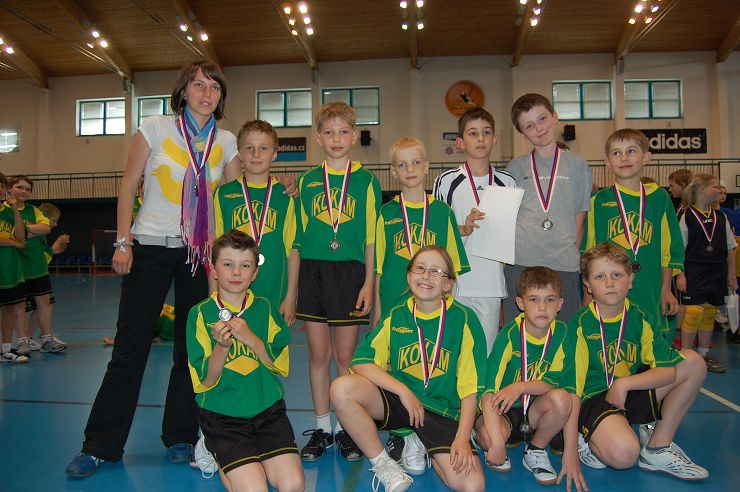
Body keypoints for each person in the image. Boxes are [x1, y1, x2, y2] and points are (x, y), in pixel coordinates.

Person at [66, 60, 241, 478]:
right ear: (182, 91)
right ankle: (101, 444)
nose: (206, 93)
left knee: (189, 349)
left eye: (214, 87)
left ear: (221, 96)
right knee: (130, 347)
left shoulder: (226, 141)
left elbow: (239, 194)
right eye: (198, 85)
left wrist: (281, 186)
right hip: (149, 248)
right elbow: (129, 185)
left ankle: (180, 435)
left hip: (198, 256)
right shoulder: (156, 127)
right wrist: (123, 241)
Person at [330, 245, 488, 492]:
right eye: (420, 268)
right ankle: (384, 464)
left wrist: (461, 438)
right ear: (408, 275)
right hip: (402, 403)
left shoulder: (464, 320)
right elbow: (361, 361)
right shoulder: (397, 315)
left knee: (473, 485)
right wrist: (402, 390)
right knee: (341, 389)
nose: (426, 276)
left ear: (448, 284)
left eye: (436, 271)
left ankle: (426, 446)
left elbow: (470, 389)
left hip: (442, 411)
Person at [572, 243, 708, 481]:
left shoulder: (641, 317)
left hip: (627, 390)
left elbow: (668, 371)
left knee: (693, 362)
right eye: (600, 276)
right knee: (624, 455)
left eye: (617, 275)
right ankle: (585, 436)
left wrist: (623, 384)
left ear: (630, 280)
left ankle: (657, 448)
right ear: (588, 285)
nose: (609, 283)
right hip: (592, 399)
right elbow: (570, 388)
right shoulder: (579, 325)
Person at [376, 136, 469, 474]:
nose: (410, 169)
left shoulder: (442, 212)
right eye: (402, 164)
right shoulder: (386, 213)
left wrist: (450, 313)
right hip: (394, 306)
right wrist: (378, 311)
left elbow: (453, 267)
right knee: (397, 366)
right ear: (393, 171)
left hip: (433, 311)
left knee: (430, 365)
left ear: (427, 166)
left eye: (416, 162)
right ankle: (402, 433)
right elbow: (378, 267)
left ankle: (432, 428)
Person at [296, 101, 381, 462]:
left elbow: (372, 237)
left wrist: (368, 283)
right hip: (313, 272)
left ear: (355, 136)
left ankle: (347, 427)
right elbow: (298, 237)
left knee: (346, 356)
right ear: (318, 138)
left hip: (350, 273)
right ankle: (322, 428)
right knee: (319, 354)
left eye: (344, 132)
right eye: (329, 132)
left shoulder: (367, 181)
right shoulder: (306, 181)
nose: (336, 138)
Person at [186, 230, 303, 492]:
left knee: (293, 485)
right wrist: (221, 347)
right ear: (214, 270)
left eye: (245, 266)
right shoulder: (199, 314)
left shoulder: (266, 308)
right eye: (228, 264)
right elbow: (207, 380)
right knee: (254, 490)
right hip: (223, 417)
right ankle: (217, 449)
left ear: (255, 273)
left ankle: (243, 460)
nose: (236, 272)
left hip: (267, 412)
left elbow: (279, 364)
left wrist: (252, 339)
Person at [474, 267, 586, 490]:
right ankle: (486, 437)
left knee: (562, 399)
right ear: (520, 303)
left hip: (534, 410)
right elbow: (488, 393)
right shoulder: (509, 335)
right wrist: (497, 444)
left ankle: (535, 449)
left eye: (550, 299)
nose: (542, 307)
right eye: (534, 299)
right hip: (502, 408)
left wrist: (520, 387)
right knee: (490, 439)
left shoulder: (563, 335)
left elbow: (564, 388)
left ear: (560, 304)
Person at [581, 129, 684, 342]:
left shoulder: (659, 198)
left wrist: (666, 289)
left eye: (631, 151)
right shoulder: (598, 201)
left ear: (646, 157)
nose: (624, 158)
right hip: (608, 287)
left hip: (649, 286)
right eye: (616, 153)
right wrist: (587, 295)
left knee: (649, 342)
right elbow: (588, 253)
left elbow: (667, 250)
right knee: (613, 342)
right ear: (607, 162)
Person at [433, 107, 516, 353]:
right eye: (473, 133)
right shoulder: (446, 181)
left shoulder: (507, 182)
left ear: (494, 139)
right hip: (456, 283)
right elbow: (437, 231)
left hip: (491, 284)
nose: (480, 138)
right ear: (460, 142)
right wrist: (464, 228)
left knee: (485, 352)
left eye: (486, 132)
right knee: (454, 352)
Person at [503, 94, 592, 322]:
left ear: (554, 116)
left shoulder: (577, 164)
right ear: (522, 134)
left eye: (542, 119)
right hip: (521, 261)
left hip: (563, 261)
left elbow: (579, 218)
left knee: (564, 330)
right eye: (529, 126)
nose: (539, 128)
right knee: (519, 330)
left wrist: (567, 253)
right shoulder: (515, 167)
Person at [214, 119, 301, 326]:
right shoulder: (224, 195)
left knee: (271, 344)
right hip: (232, 286)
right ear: (239, 153)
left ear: (275, 153)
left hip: (275, 287)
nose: (256, 154)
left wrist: (291, 295)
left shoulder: (285, 196)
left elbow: (293, 250)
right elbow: (214, 251)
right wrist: (213, 296)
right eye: (249, 148)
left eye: (263, 148)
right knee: (233, 344)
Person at [677, 174, 736, 373]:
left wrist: (731, 275)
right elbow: (678, 250)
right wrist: (680, 275)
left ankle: (703, 355)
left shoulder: (721, 217)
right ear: (701, 190)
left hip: (717, 270)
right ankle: (686, 355)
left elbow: (730, 248)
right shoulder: (687, 216)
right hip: (694, 270)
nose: (719, 190)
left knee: (710, 313)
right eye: (715, 187)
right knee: (694, 312)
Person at [6, 176, 60, 355]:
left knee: (44, 301)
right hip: (16, 265)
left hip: (37, 264)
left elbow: (46, 228)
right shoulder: (3, 210)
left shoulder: (34, 210)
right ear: (9, 188)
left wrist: (24, 230)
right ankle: (22, 342)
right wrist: (24, 233)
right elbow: (12, 236)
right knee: (19, 304)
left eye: (27, 189)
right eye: (19, 187)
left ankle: (47, 339)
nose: (24, 191)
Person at [26, 202, 69, 352]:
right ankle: (31, 338)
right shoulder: (37, 234)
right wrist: (56, 244)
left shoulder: (41, 237)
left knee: (41, 306)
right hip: (33, 273)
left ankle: (36, 336)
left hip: (39, 271)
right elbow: (44, 257)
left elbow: (46, 254)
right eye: (54, 221)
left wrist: (55, 249)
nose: (55, 225)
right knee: (38, 305)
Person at [0, 171, 28, 363]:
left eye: (2, 186)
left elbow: (20, 237)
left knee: (9, 308)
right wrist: (12, 243)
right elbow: (15, 242)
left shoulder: (9, 210)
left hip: (9, 268)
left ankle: (5, 350)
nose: (0, 189)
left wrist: (16, 211)